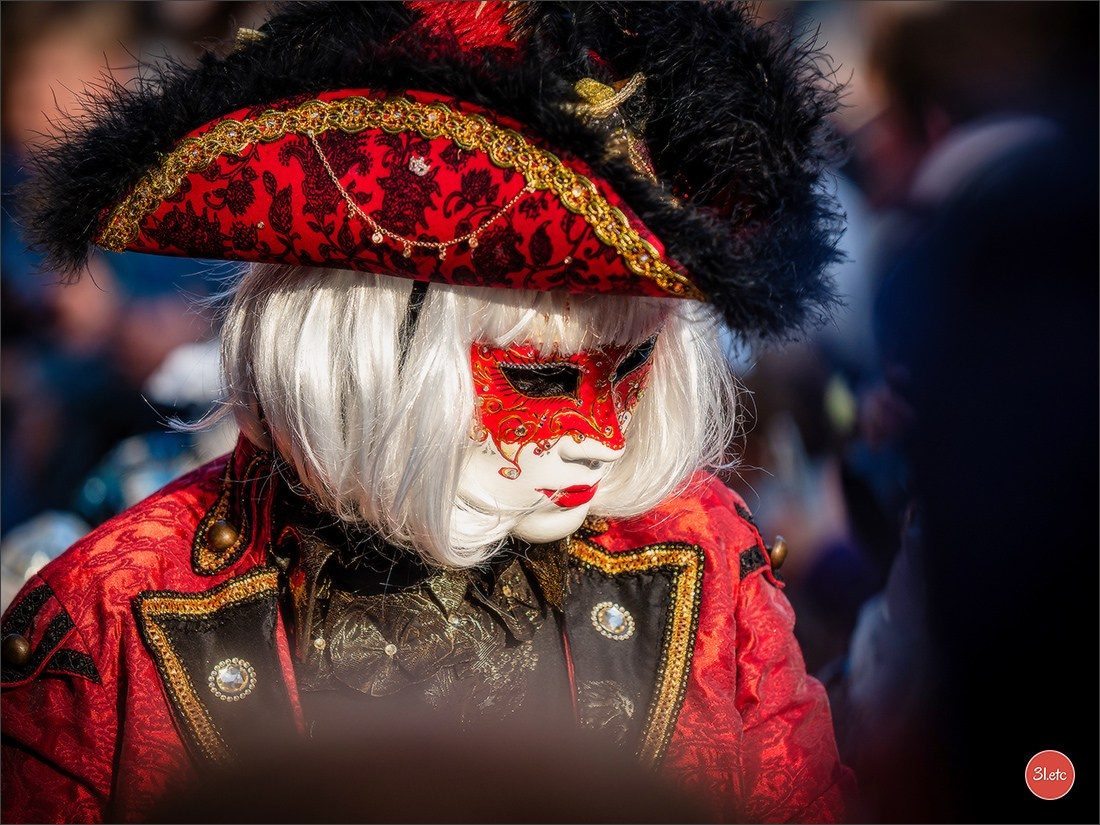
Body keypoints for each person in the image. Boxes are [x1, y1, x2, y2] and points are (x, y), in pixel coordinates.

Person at [1, 3, 855, 822]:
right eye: (543, 377)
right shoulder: (107, 618)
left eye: (630, 367)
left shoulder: (702, 551)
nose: (601, 438)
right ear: (373, 354)